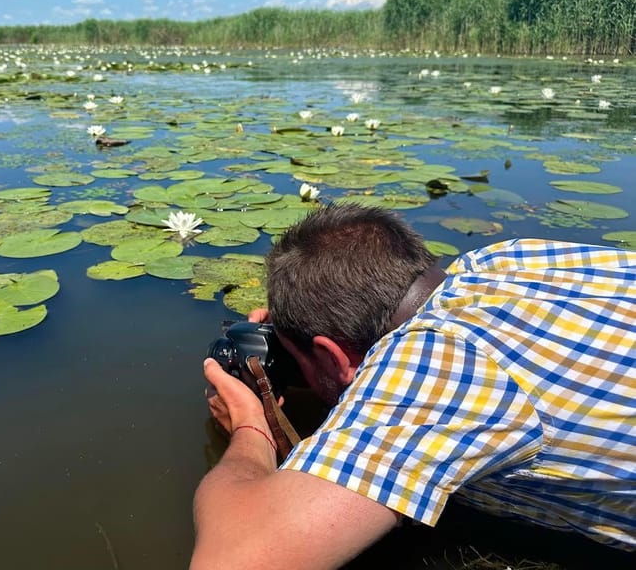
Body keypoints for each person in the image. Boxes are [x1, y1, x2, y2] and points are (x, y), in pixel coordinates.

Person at [191, 203, 635, 569]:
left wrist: (252, 427)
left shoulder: (436, 370)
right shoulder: (505, 260)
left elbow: (232, 559)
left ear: (332, 356)